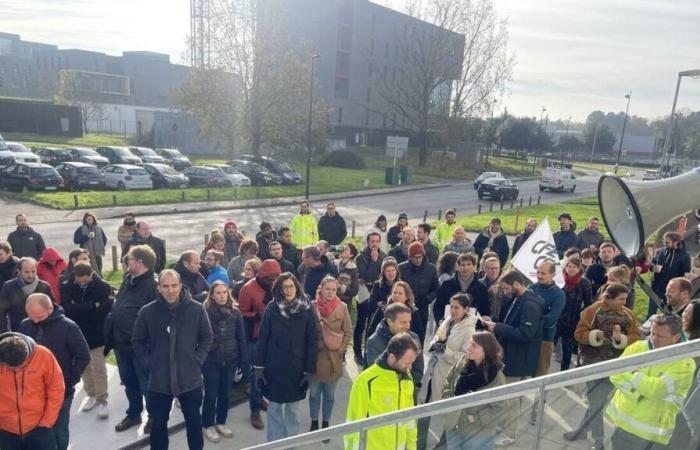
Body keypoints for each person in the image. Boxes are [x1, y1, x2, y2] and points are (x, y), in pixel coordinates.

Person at [131, 270, 212, 450]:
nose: (171, 290)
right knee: (158, 426)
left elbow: (207, 337)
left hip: (190, 380)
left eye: (174, 285)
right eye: (165, 286)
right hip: (159, 382)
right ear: (158, 288)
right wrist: (149, 363)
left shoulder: (196, 309)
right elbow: (137, 340)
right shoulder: (147, 312)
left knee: (193, 422)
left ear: (181, 285)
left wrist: (196, 360)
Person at [567, 283, 641, 449]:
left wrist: (620, 339)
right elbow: (579, 334)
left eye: (626, 299)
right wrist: (594, 335)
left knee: (597, 402)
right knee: (596, 402)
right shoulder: (592, 311)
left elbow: (636, 337)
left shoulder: (628, 314)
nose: (625, 302)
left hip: (615, 366)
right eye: (621, 299)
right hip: (592, 364)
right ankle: (598, 440)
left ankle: (583, 432)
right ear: (609, 298)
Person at [607, 314, 695, 448]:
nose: (654, 339)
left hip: (650, 435)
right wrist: (637, 394)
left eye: (660, 336)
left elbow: (656, 390)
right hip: (621, 425)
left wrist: (631, 373)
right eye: (652, 333)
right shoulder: (638, 347)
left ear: (675, 337)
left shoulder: (684, 364)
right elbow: (614, 373)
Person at [480, 269, 543, 446]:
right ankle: (504, 425)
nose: (505, 292)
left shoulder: (529, 304)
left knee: (511, 399)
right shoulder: (518, 299)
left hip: (519, 359)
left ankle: (510, 434)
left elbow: (525, 333)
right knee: (508, 396)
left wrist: (496, 328)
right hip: (513, 355)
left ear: (517, 284)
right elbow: (509, 321)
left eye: (507, 288)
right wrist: (492, 321)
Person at [19, 293, 90, 450]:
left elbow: (83, 356)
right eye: (31, 317)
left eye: (39, 316)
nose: (35, 321)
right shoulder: (25, 325)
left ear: (50, 308)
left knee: (59, 430)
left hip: (60, 390)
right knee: (39, 431)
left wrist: (70, 380)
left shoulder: (68, 327)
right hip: (32, 390)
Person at [254, 272, 318, 443]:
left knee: (292, 409)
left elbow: (313, 340)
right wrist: (259, 368)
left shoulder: (307, 309)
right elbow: (263, 339)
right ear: (279, 290)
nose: (288, 290)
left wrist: (309, 371)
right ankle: (275, 443)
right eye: (284, 288)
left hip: (297, 368)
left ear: (296, 287)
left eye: (291, 286)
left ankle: (291, 443)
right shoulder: (272, 308)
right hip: (274, 367)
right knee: (274, 407)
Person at [103, 245, 158, 433]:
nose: (127, 262)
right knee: (129, 382)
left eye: (130, 259)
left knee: (147, 385)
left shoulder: (153, 286)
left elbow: (157, 319)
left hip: (141, 348)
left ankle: (154, 417)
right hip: (121, 344)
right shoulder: (129, 279)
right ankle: (134, 414)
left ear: (140, 262)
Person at [418, 294, 478, 450]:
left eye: (456, 307)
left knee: (448, 415)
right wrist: (434, 345)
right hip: (433, 372)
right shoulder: (448, 321)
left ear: (466, 309)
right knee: (424, 405)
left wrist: (446, 351)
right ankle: (419, 443)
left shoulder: (469, 329)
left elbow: (467, 357)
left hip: (448, 376)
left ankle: (444, 445)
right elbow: (436, 337)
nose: (452, 310)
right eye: (451, 306)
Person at [345, 332, 419, 450]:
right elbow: (353, 424)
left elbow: (410, 418)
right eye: (406, 363)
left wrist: (412, 447)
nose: (410, 367)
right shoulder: (366, 381)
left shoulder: (407, 377)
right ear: (392, 357)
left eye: (411, 363)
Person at [60, 261, 113, 418]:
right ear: (74, 276)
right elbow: (67, 309)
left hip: (97, 333)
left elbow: (104, 309)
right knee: (84, 367)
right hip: (77, 333)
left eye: (86, 279)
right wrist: (92, 306)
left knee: (99, 368)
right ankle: (91, 394)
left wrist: (79, 308)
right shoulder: (66, 286)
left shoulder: (103, 286)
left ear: (92, 274)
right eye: (79, 280)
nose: (83, 282)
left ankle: (102, 400)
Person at [442, 331, 507, 450]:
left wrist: (476, 418)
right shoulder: (462, 362)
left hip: (478, 434)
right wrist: (448, 402)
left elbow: (501, 408)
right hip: (453, 426)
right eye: (469, 344)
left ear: (486, 351)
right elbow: (448, 382)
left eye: (474, 345)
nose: (468, 348)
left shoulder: (496, 377)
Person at [0, 332, 64, 450]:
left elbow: (56, 388)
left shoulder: (44, 355)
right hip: (5, 431)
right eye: (10, 368)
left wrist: (47, 420)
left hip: (40, 427)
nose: (16, 370)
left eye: (21, 366)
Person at [201, 281, 247, 443]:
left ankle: (221, 421)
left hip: (231, 359)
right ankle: (207, 424)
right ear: (212, 295)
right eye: (218, 293)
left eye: (224, 292)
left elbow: (241, 337)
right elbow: (200, 339)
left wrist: (243, 361)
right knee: (211, 394)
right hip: (211, 361)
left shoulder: (235, 313)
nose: (222, 296)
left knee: (225, 393)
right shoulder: (205, 312)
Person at [238, 259, 280, 430]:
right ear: (261, 276)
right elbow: (240, 314)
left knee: (268, 374)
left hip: (273, 337)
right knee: (257, 376)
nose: (272, 282)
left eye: (275, 279)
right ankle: (254, 410)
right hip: (254, 339)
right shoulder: (248, 289)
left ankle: (260, 397)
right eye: (269, 279)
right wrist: (257, 316)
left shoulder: (279, 286)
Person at [309, 277, 352, 434]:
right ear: (321, 289)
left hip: (333, 359)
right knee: (313, 394)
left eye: (334, 289)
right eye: (327, 289)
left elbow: (348, 331)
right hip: (315, 359)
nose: (330, 292)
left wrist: (341, 349)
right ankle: (314, 421)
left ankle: (326, 422)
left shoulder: (342, 307)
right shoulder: (312, 306)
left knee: (329, 395)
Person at [365, 302, 424, 387]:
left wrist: (405, 385)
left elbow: (418, 370)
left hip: (407, 390)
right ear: (390, 321)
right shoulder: (374, 342)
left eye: (409, 322)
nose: (408, 326)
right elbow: (377, 372)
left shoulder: (414, 337)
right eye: (403, 322)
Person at [528, 260, 566, 378]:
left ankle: (539, 397)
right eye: (538, 272)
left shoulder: (559, 294)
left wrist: (530, 321)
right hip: (527, 336)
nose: (539, 276)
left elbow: (551, 318)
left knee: (540, 374)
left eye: (543, 273)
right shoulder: (531, 288)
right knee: (523, 373)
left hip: (545, 339)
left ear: (553, 274)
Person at [354, 232, 387, 363]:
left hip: (377, 294)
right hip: (364, 294)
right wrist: (373, 262)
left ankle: (369, 352)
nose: (374, 244)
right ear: (368, 242)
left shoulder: (384, 256)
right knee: (361, 324)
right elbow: (367, 277)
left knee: (372, 324)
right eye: (372, 241)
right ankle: (357, 352)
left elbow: (381, 277)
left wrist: (371, 277)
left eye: (377, 241)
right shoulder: (361, 257)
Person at [556, 258, 592, 371]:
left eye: (575, 267)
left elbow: (588, 303)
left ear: (579, 268)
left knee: (567, 349)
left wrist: (582, 317)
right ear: (565, 267)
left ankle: (564, 373)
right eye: (569, 266)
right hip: (557, 319)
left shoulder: (584, 283)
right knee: (549, 345)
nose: (572, 269)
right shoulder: (559, 280)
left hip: (573, 320)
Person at [398, 242, 439, 344]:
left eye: (420, 257)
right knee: (403, 339)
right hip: (405, 308)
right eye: (415, 257)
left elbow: (436, 288)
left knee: (419, 339)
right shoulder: (401, 268)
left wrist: (428, 299)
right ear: (410, 257)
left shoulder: (431, 268)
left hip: (422, 308)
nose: (418, 259)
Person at [434, 253, 489, 325]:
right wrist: (441, 322)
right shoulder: (446, 285)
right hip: (449, 327)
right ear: (458, 266)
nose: (465, 268)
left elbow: (485, 311)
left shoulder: (482, 288)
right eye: (462, 265)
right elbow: (438, 307)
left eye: (469, 264)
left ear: (474, 267)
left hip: (472, 329)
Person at [0, 257, 53, 333]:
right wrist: (4, 333)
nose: (31, 275)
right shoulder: (9, 287)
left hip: (42, 331)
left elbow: (52, 308)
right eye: (27, 272)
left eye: (33, 271)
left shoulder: (44, 286)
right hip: (19, 330)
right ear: (19, 271)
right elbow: (2, 311)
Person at [650, 231, 691, 318]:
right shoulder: (660, 251)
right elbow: (652, 264)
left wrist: (680, 290)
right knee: (651, 311)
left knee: (668, 314)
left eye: (667, 242)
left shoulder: (684, 256)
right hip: (656, 287)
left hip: (672, 291)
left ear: (675, 242)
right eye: (664, 242)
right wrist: (653, 268)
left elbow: (686, 275)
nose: (665, 244)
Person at [332, 242, 359, 309]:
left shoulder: (353, 269)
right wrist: (332, 253)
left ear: (351, 255)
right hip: (331, 298)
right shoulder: (334, 264)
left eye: (346, 249)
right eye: (342, 248)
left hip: (345, 301)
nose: (342, 250)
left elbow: (355, 291)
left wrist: (340, 287)